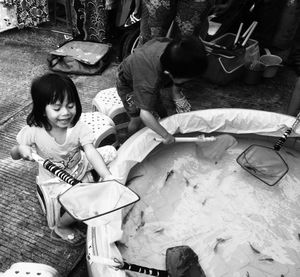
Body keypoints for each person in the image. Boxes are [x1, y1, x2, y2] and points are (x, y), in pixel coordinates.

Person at [10, 73, 117, 244]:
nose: (66, 113)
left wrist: (107, 176)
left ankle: (95, 178)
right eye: (57, 108)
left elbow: (90, 151)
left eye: (71, 105)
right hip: (56, 179)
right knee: (85, 203)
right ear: (42, 110)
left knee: (112, 152)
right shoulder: (34, 131)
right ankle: (61, 226)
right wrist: (21, 149)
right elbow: (14, 155)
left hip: (79, 165)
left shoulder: (78, 127)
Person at [116, 35, 208, 143]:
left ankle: (163, 121)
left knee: (158, 105)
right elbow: (144, 114)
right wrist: (166, 135)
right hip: (127, 84)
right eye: (184, 81)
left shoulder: (173, 50)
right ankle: (129, 142)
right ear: (169, 74)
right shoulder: (149, 80)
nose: (186, 83)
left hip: (144, 72)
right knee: (137, 117)